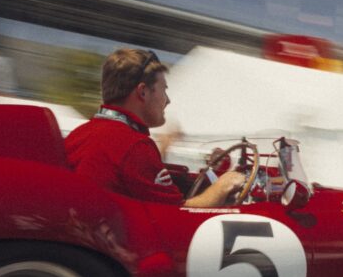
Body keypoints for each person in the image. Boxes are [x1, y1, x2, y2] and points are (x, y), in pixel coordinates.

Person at [66, 48, 244, 207]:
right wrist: (223, 186)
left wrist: (212, 175)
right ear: (143, 92)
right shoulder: (134, 145)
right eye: (163, 90)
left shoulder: (79, 134)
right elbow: (176, 214)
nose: (168, 100)